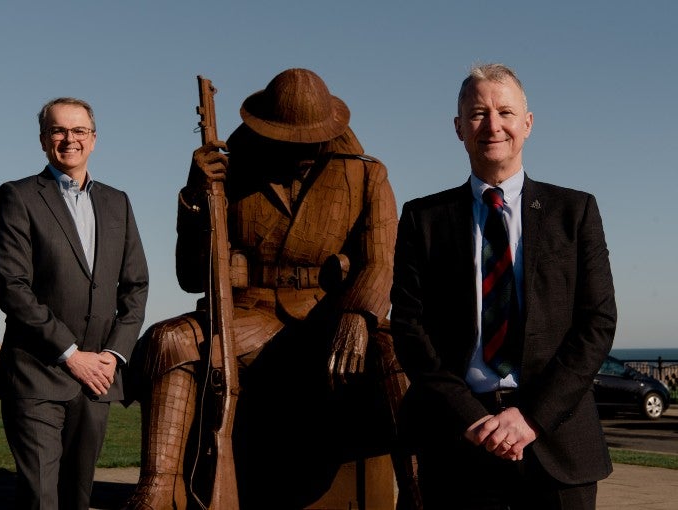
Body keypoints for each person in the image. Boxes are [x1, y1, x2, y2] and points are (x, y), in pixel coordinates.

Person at [125, 68, 419, 509]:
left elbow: (381, 263)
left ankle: (420, 492)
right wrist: (195, 196)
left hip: (330, 318)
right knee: (170, 340)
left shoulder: (365, 176)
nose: (300, 149)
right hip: (251, 317)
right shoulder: (230, 174)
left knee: (396, 352)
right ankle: (158, 490)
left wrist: (358, 315)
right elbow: (191, 276)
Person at [390, 63, 617, 509]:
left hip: (556, 443)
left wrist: (530, 417)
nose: (493, 125)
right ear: (459, 128)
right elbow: (410, 329)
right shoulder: (423, 219)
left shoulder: (575, 212)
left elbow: (598, 322)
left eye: (506, 112)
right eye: (478, 113)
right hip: (456, 444)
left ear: (527, 124)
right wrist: (472, 418)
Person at [0, 97, 149, 510]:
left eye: (79, 131)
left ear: (94, 139)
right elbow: (13, 288)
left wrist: (113, 355)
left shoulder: (118, 202)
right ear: (44, 140)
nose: (69, 139)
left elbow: (135, 287)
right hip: (36, 374)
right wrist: (71, 354)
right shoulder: (18, 196)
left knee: (77, 498)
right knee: (42, 499)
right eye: (59, 130)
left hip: (97, 380)